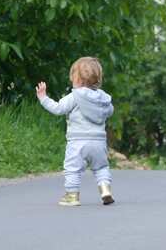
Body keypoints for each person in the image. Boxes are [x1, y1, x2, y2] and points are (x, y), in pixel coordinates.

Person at [36, 57, 115, 206]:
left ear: (77, 78)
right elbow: (110, 111)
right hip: (99, 143)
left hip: (78, 142)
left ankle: (72, 195)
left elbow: (58, 108)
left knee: (72, 169)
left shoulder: (75, 96)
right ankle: (105, 190)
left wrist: (43, 98)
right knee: (101, 167)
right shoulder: (103, 98)